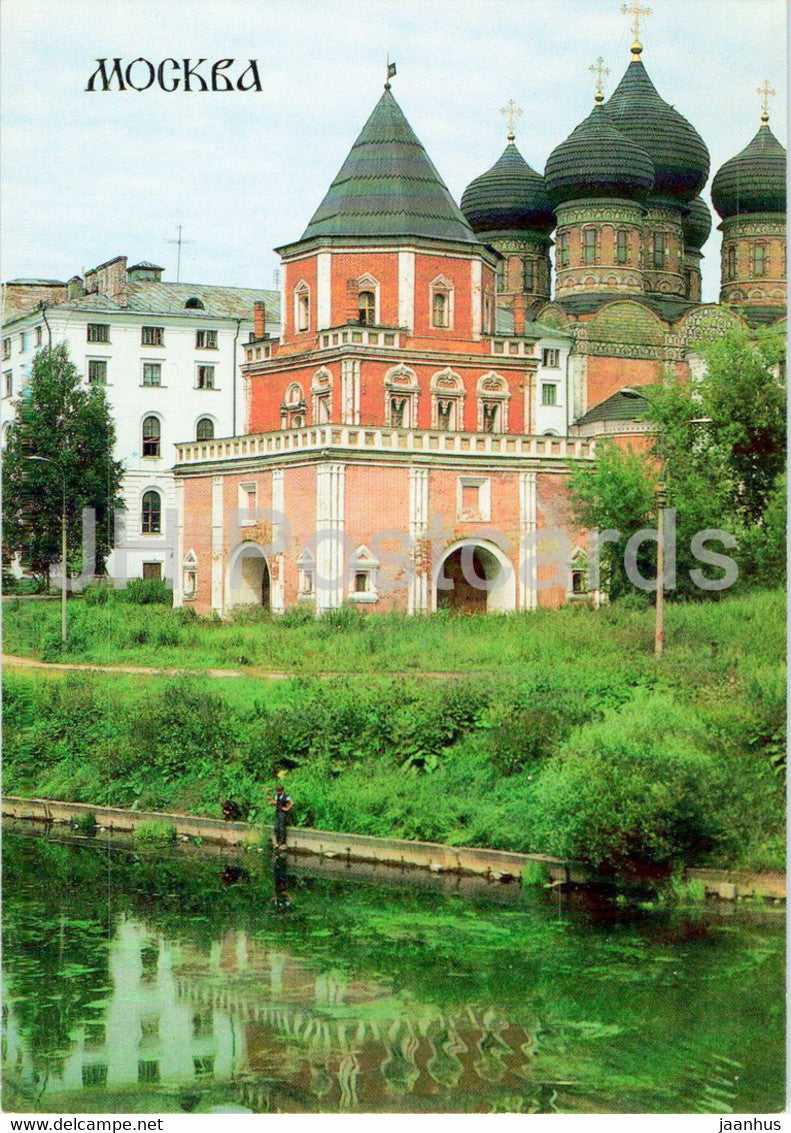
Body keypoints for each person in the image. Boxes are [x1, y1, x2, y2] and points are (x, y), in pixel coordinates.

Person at [266, 783, 293, 847]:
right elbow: (276, 803)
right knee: (276, 828)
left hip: (283, 813)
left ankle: (283, 843)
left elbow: (292, 803)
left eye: (279, 791)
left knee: (282, 828)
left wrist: (287, 808)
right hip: (277, 812)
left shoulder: (286, 797)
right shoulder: (276, 796)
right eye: (277, 791)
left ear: (282, 791)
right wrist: (270, 799)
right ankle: (278, 842)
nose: (278, 792)